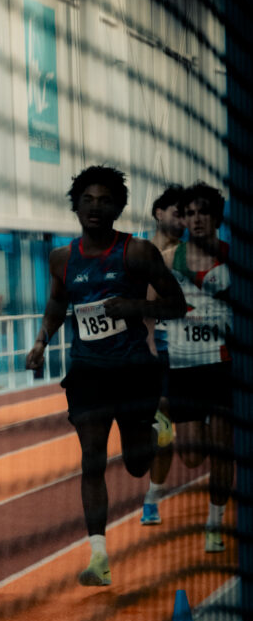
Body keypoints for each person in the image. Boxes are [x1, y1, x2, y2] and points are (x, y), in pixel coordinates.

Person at [25, 165, 187, 586]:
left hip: (133, 372)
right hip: (88, 374)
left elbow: (176, 304)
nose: (95, 207)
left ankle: (156, 430)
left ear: (118, 208)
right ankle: (98, 556)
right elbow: (57, 304)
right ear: (76, 206)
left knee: (136, 465)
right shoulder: (62, 259)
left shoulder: (137, 252)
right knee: (92, 459)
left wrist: (136, 307)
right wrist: (41, 340)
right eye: (88, 200)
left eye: (105, 201)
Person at [158, 181, 233, 552]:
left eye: (204, 211)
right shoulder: (169, 259)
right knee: (190, 456)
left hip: (222, 365)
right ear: (183, 219)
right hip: (184, 367)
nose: (197, 218)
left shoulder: (233, 257)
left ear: (216, 218)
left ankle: (214, 523)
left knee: (223, 450)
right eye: (190, 212)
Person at [141, 184, 185, 524]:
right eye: (178, 213)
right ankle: (152, 498)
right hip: (158, 353)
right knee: (162, 429)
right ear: (159, 213)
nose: (183, 221)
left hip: (196, 353)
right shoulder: (140, 254)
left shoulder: (191, 255)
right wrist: (149, 345)